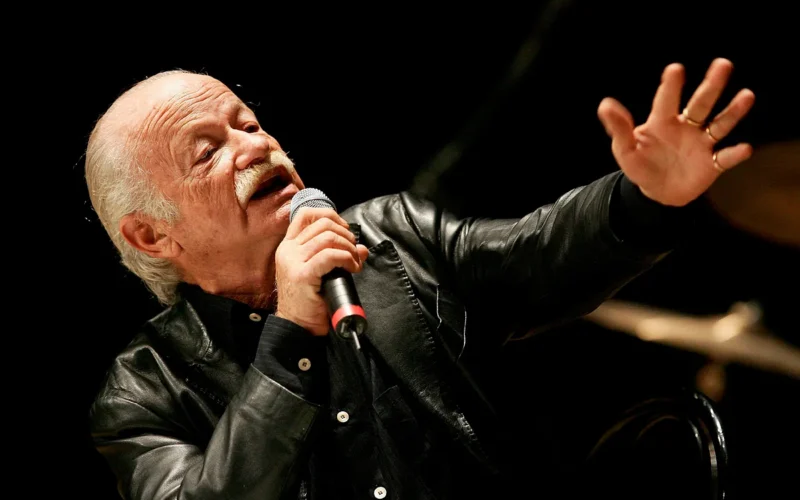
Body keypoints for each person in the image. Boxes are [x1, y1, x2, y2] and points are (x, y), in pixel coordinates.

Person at [86, 58, 754, 499]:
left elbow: (542, 253)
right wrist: (290, 332)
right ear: (152, 236)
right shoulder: (142, 394)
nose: (256, 147)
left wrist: (645, 197)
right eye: (209, 152)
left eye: (251, 124)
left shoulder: (394, 238)